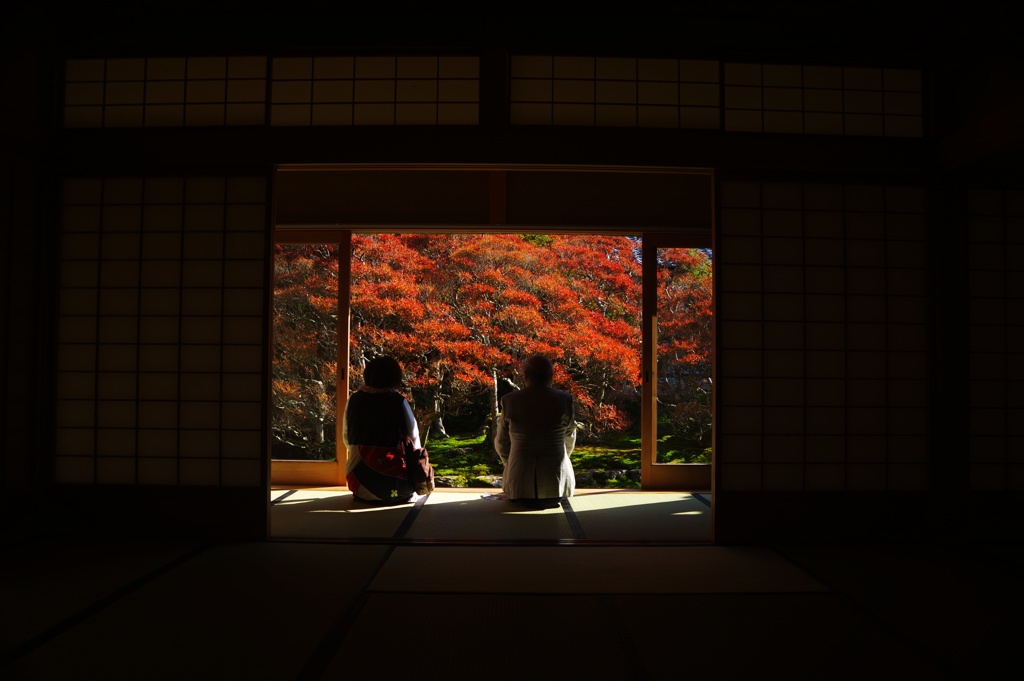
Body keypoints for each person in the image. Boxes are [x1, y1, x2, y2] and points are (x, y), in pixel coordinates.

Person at [493, 354, 577, 505]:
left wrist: (510, 463)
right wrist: (563, 458)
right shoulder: (564, 399)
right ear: (551, 376)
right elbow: (569, 437)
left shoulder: (510, 400)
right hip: (557, 486)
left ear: (525, 376)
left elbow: (501, 442)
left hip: (518, 487)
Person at [343, 356, 424, 503]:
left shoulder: (354, 400)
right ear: (395, 377)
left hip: (358, 482)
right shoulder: (398, 401)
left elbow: (346, 438)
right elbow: (414, 438)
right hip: (396, 483)